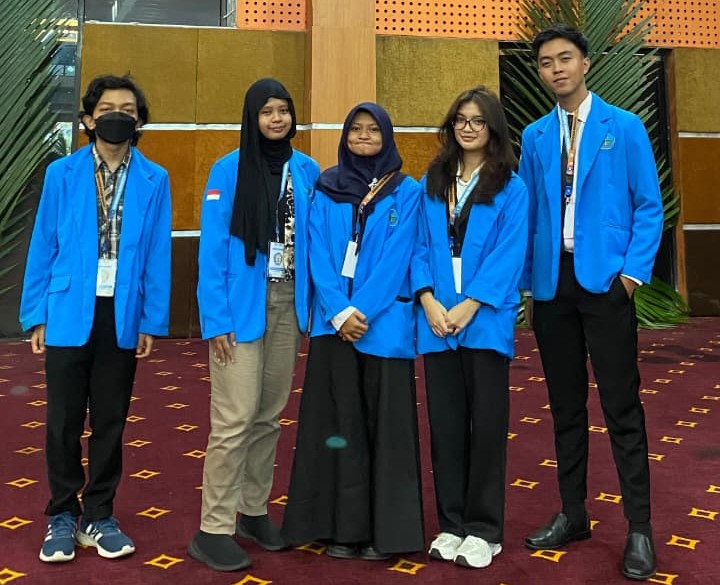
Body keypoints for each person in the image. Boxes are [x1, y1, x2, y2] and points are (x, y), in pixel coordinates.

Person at [518, 24, 663, 581]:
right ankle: (573, 513)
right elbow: (529, 214)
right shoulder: (535, 136)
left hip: (606, 285)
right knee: (565, 407)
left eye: (565, 59)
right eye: (546, 62)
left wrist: (630, 277)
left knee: (622, 407)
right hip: (552, 286)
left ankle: (640, 527)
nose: (556, 69)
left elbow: (648, 206)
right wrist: (529, 285)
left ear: (585, 64)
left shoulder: (622, 126)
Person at [20, 74, 171, 562]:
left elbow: (157, 254)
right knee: (63, 420)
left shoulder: (154, 178)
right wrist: (35, 313)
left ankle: (99, 515)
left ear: (139, 121)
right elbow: (43, 244)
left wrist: (151, 320)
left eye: (128, 110)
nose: (117, 117)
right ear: (88, 119)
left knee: (110, 419)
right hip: (66, 309)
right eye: (107, 109)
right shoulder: (61, 174)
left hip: (122, 313)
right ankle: (63, 514)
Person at [282, 102, 424, 560]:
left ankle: (386, 534)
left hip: (384, 327)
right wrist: (339, 312)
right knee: (338, 427)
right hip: (334, 326)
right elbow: (316, 253)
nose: (363, 136)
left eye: (372, 130)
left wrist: (360, 309)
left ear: (387, 137)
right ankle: (340, 529)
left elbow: (399, 258)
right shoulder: (326, 187)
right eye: (355, 130)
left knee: (385, 430)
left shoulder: (407, 191)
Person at [188, 78, 320, 572]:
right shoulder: (227, 170)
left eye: (283, 110)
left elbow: (316, 242)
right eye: (267, 111)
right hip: (239, 306)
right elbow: (211, 252)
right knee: (234, 418)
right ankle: (213, 528)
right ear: (252, 117)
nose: (276, 119)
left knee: (268, 415)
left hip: (288, 303)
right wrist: (215, 319)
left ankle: (253, 511)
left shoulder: (306, 170)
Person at [412, 86, 528, 569]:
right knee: (446, 427)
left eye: (478, 121)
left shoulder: (510, 186)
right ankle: (452, 522)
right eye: (460, 119)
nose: (468, 128)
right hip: (437, 320)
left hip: (484, 320)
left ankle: (484, 530)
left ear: (492, 128)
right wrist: (427, 299)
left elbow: (509, 253)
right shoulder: (434, 179)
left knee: (486, 426)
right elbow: (418, 245)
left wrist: (471, 304)